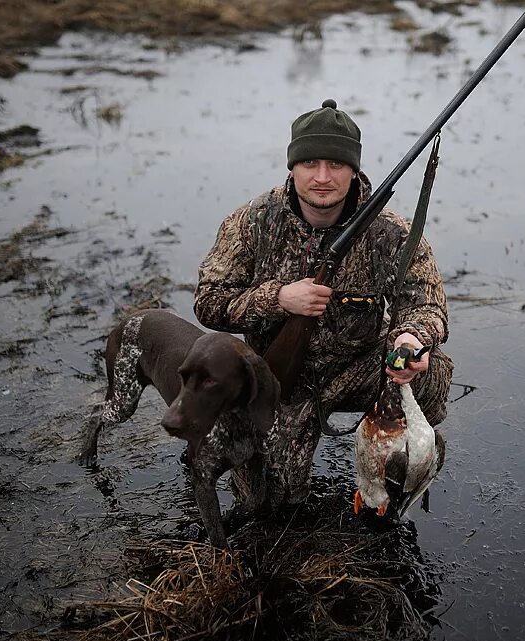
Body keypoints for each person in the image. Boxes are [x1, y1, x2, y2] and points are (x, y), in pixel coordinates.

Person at [194, 99, 453, 507]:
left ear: (354, 169)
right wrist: (278, 298)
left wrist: (410, 338)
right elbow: (208, 302)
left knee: (429, 369)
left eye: (336, 165)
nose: (322, 177)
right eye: (310, 163)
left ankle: (403, 459)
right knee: (269, 504)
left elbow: (427, 304)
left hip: (358, 368)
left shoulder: (390, 232)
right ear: (291, 167)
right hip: (278, 382)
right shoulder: (252, 221)